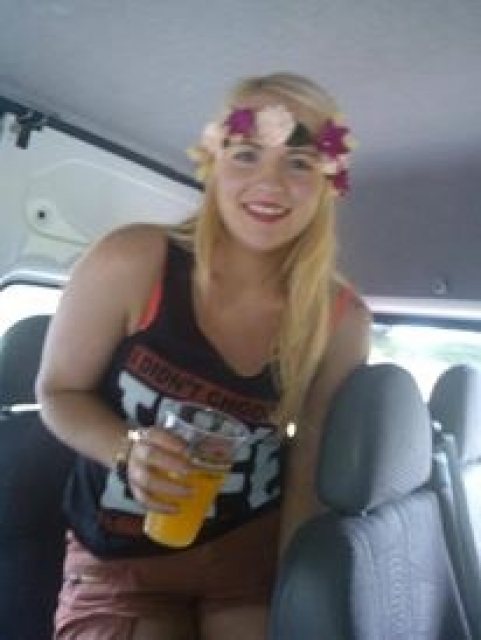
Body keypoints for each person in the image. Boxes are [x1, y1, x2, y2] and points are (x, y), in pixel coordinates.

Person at [36, 71, 371, 640]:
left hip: (247, 556)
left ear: (327, 181)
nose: (270, 183)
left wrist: (294, 589)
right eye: (246, 155)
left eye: (298, 162)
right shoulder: (133, 260)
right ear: (215, 164)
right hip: (120, 560)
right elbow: (57, 392)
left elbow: (307, 466)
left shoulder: (341, 319)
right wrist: (127, 449)